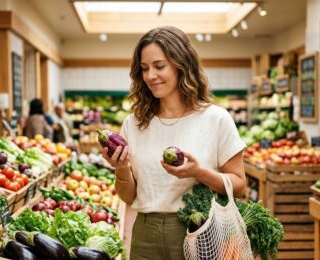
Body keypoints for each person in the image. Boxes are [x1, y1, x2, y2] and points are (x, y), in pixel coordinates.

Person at [101, 26, 247, 260]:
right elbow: (128, 197)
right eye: (145, 69)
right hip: (145, 235)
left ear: (182, 65)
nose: (150, 76)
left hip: (200, 232)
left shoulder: (216, 118)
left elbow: (239, 185)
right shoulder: (134, 124)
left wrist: (198, 172)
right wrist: (121, 167)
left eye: (159, 66)